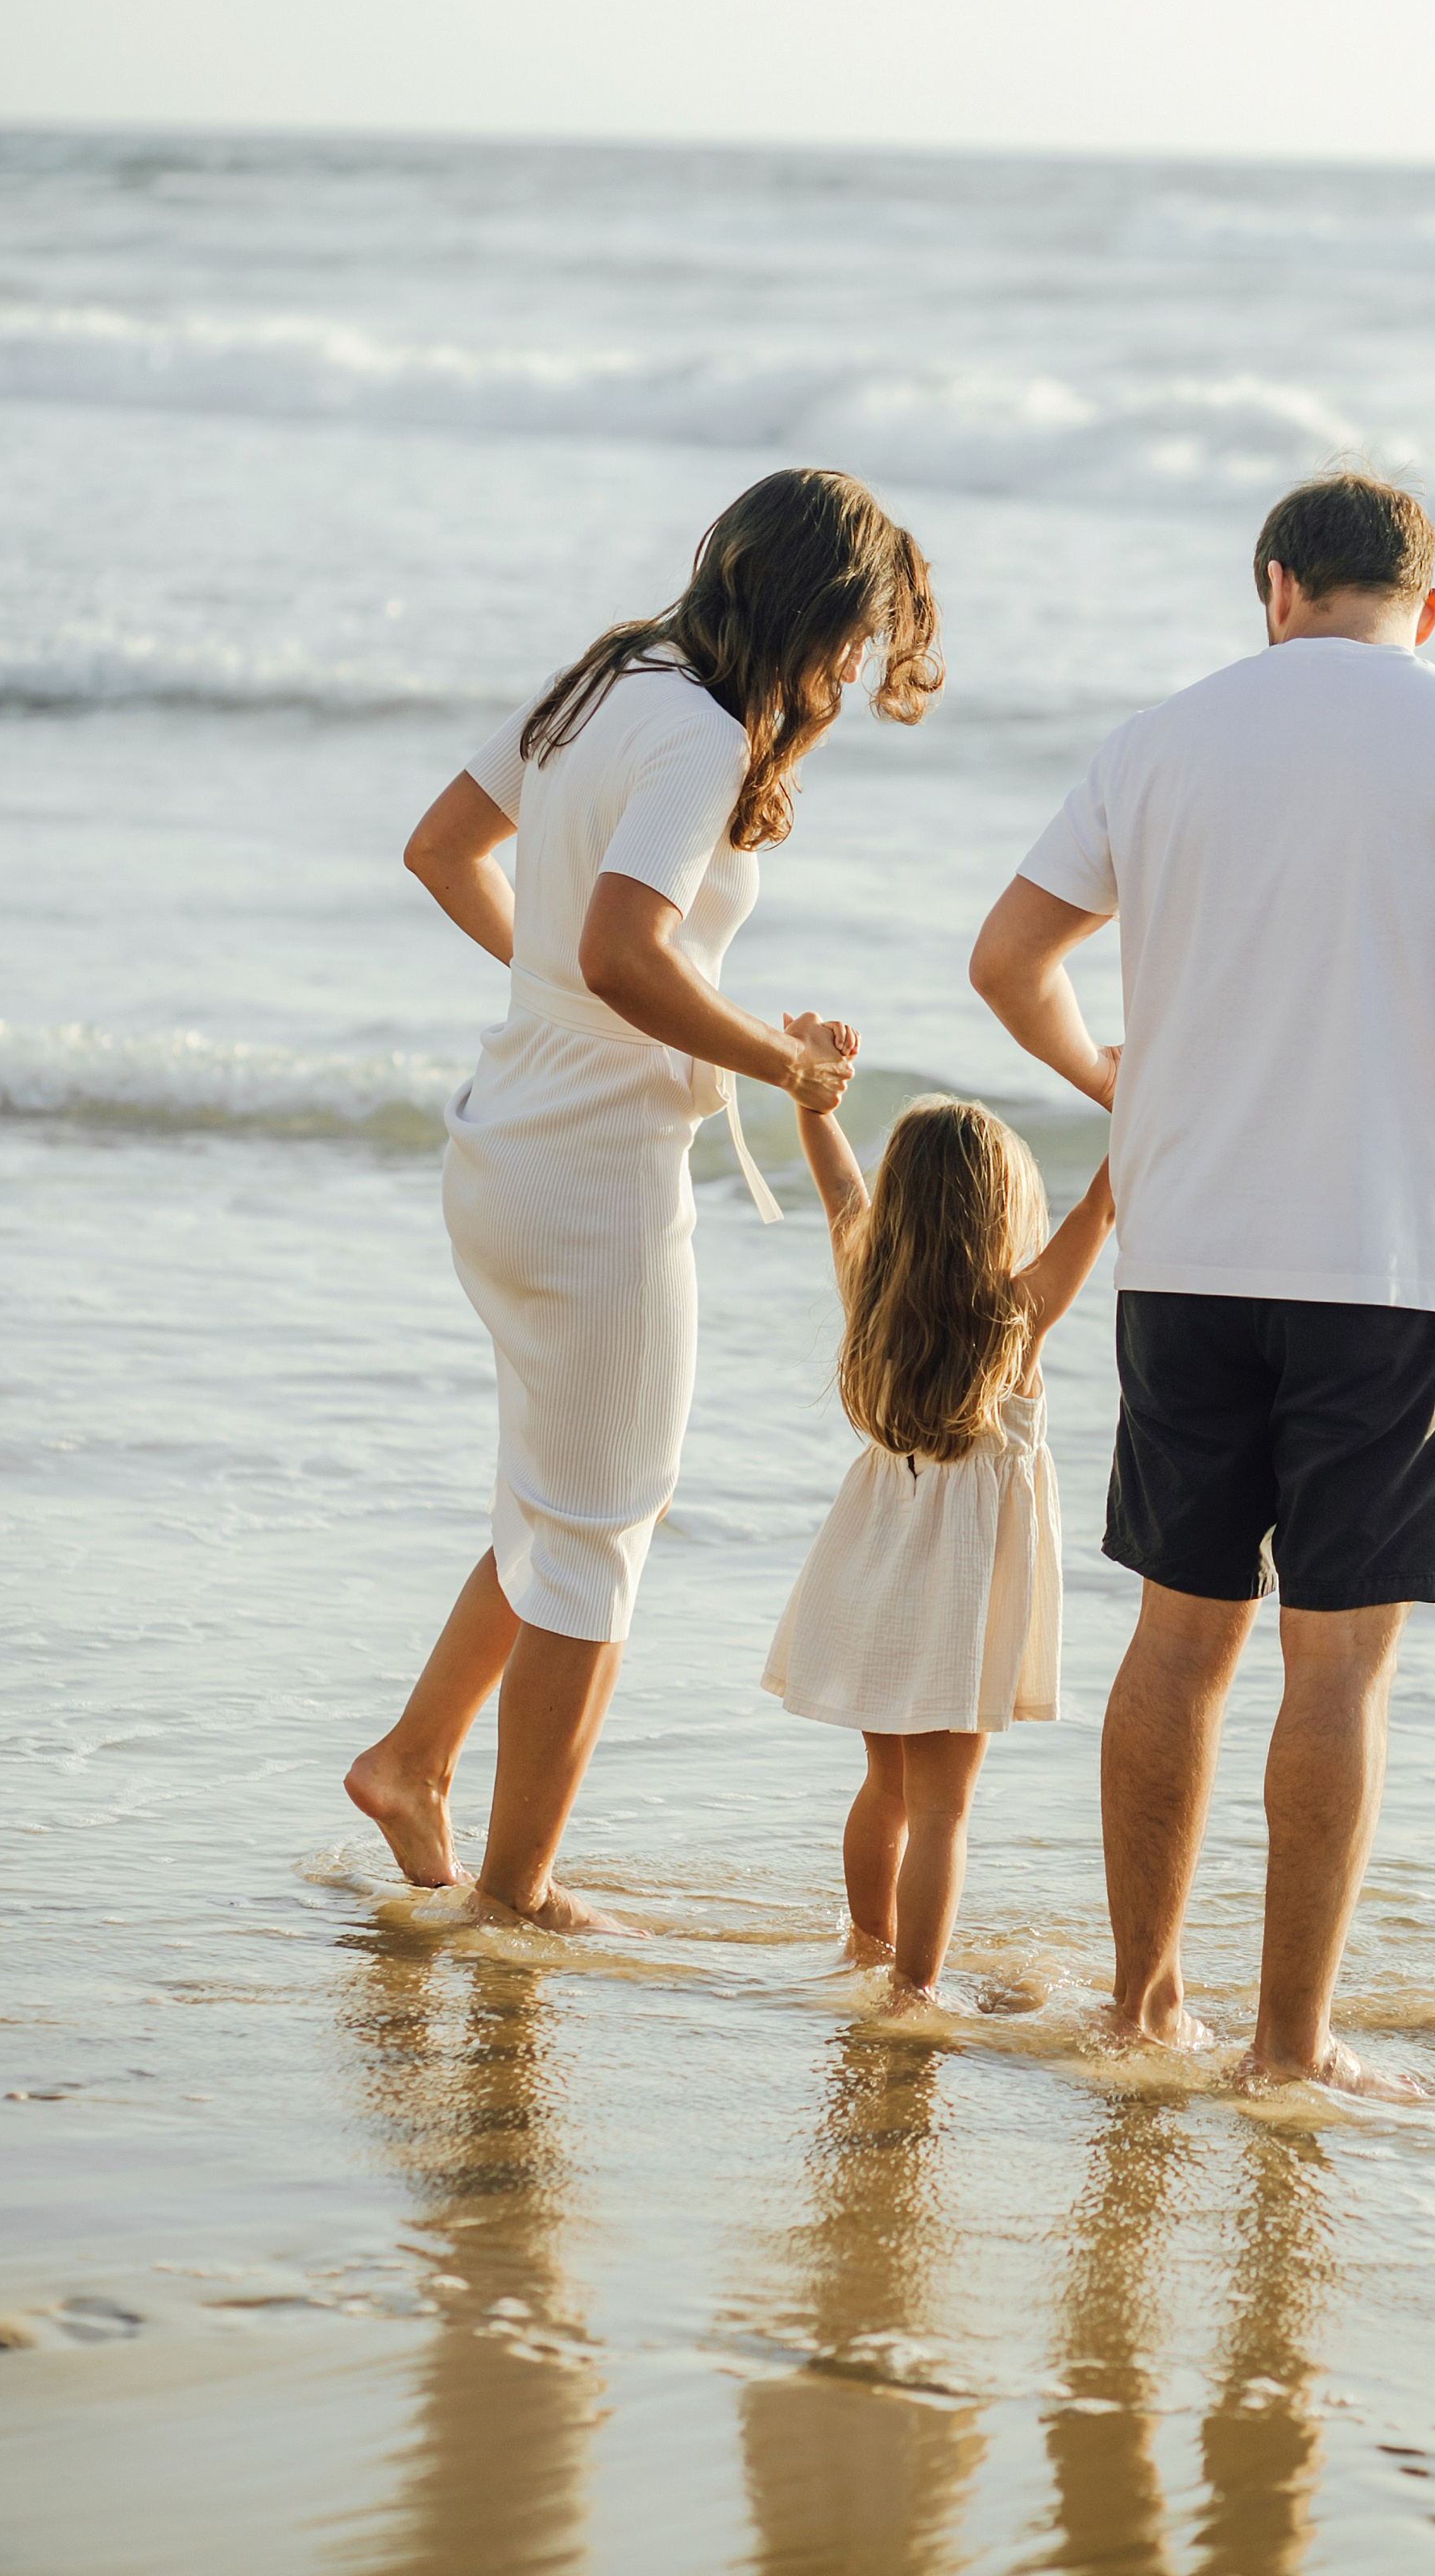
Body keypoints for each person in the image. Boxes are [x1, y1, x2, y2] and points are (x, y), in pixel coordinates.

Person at [969, 467, 1435, 2093]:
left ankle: (1141, 2007)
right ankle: (1287, 2048)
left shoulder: (1158, 740)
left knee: (1176, 1638)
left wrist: (1115, 1083)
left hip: (1186, 1259)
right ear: (1424, 606)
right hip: (1386, 1273)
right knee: (1333, 1663)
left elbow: (1004, 962)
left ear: (1273, 587)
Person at [346, 467, 940, 1930]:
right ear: (809, 611)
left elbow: (444, 851)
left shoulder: (610, 677)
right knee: (603, 1537)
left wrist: (577, 1001)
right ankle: (516, 1893)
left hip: (508, 1144)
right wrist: (780, 1064)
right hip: (594, 1186)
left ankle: (413, 1762)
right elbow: (623, 952)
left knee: (556, 1506)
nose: (851, 675)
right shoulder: (694, 731)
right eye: (852, 642)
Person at [762, 1089, 1115, 1997]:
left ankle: (869, 1951)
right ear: (997, 1216)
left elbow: (841, 1189)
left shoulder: (870, 1294)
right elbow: (1099, 1208)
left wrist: (811, 1102)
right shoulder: (1017, 1316)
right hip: (959, 1598)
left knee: (886, 1791)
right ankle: (913, 1992)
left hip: (873, 1575)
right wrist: (1144, 1116)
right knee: (942, 1811)